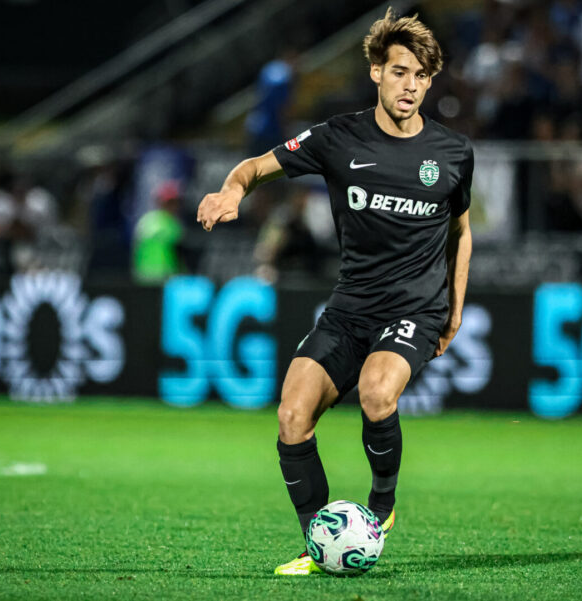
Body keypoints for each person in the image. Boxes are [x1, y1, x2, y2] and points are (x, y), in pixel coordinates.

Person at [197, 8, 473, 576]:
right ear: (376, 71)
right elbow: (254, 166)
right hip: (350, 308)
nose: (411, 86)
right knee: (292, 416)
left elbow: (461, 233)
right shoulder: (336, 138)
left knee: (377, 393)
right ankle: (318, 543)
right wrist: (232, 192)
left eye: (421, 77)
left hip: (415, 310)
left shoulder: (452, 153)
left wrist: (454, 313)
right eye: (400, 72)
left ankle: (381, 508)